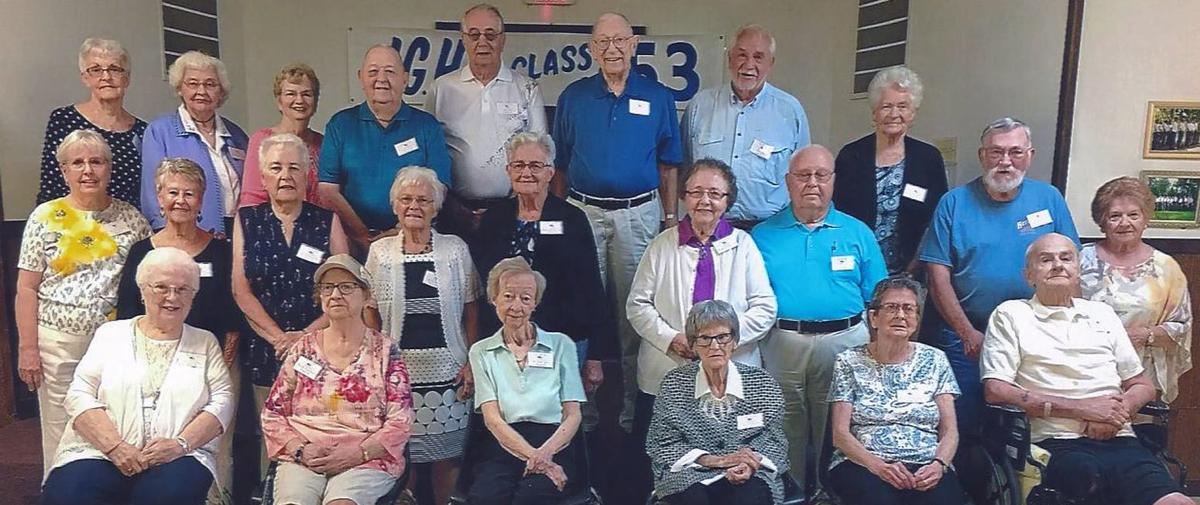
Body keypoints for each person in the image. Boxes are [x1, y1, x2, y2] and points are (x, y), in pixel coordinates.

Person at [981, 233, 1192, 505]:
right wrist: (1083, 409)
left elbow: (1143, 385)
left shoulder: (1101, 313)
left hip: (1119, 437)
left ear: (1078, 269)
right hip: (1055, 442)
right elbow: (996, 390)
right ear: (1028, 275)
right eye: (1046, 259)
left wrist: (1115, 414)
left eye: (1066, 258)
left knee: (1177, 501)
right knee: (1090, 485)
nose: (1058, 265)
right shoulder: (1011, 314)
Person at [553, 11, 683, 431]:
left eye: (620, 41)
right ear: (592, 49)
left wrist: (668, 217)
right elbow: (559, 166)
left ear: (634, 45)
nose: (612, 49)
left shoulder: (658, 97)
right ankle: (581, 413)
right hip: (583, 212)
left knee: (635, 311)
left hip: (639, 214)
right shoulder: (574, 97)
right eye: (602, 42)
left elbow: (669, 164)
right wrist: (559, 217)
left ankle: (631, 409)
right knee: (580, 310)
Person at [918, 117, 1079, 435]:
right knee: (961, 423)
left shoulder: (1049, 199)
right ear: (981, 156)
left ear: (1030, 155)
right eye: (996, 152)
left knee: (1024, 424)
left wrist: (1067, 331)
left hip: (1035, 333)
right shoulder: (953, 203)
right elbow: (937, 276)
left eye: (1015, 152)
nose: (1005, 162)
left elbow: (1072, 267)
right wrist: (967, 333)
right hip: (966, 334)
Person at [41, 247, 234, 505]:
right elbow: (79, 393)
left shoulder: (205, 341)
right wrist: (115, 447)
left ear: (193, 295)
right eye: (162, 287)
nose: (172, 297)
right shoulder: (111, 334)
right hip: (101, 451)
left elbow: (223, 400)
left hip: (177, 455)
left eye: (182, 289)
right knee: (70, 494)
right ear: (142, 290)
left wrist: (180, 444)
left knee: (167, 496)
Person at [750, 145, 887, 492]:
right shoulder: (762, 235)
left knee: (839, 427)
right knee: (784, 424)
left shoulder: (858, 233)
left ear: (833, 181)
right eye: (803, 175)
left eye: (821, 175)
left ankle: (832, 494)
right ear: (787, 182)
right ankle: (790, 492)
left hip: (845, 343)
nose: (813, 183)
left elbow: (879, 298)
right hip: (783, 342)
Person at [16, 129, 152, 475]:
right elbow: (27, 288)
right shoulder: (44, 217)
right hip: (57, 342)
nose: (87, 170)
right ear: (64, 171)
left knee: (114, 422)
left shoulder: (131, 218)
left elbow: (147, 282)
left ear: (109, 168)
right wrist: (28, 348)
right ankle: (60, 490)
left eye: (96, 161)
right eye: (77, 162)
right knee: (60, 424)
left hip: (116, 343)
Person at [628, 159, 776, 456]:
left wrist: (721, 343)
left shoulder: (743, 245)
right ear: (684, 197)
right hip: (669, 365)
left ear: (727, 200)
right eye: (696, 192)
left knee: (729, 453)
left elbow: (765, 308)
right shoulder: (662, 245)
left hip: (733, 370)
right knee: (666, 454)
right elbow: (638, 305)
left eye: (715, 193)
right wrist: (672, 338)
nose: (704, 200)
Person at [114, 157, 238, 504]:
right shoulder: (142, 251)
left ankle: (218, 499)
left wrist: (223, 364)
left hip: (217, 360)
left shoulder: (221, 251)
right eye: (172, 192)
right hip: (155, 363)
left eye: (189, 193)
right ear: (159, 196)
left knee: (215, 438)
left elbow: (233, 313)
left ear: (201, 201)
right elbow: (126, 314)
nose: (180, 200)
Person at [232, 132, 349, 479]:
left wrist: (305, 338)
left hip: (322, 350)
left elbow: (343, 288)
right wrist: (279, 339)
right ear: (263, 176)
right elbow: (241, 290)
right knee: (276, 442)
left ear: (307, 175)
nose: (285, 176)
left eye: (294, 168)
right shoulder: (247, 220)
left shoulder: (326, 221)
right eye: (276, 168)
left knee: (323, 436)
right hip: (268, 351)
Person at [362, 166, 479, 505]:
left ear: (436, 207)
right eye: (406, 199)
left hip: (449, 372)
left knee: (447, 458)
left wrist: (470, 360)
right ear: (395, 205)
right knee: (401, 454)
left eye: (423, 200)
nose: (414, 206)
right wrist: (375, 360)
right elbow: (369, 308)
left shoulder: (455, 249)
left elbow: (472, 307)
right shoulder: (380, 251)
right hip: (397, 373)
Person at [262, 254, 414, 505]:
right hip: (306, 456)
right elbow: (272, 414)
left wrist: (357, 453)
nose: (335, 295)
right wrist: (300, 449)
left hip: (365, 457)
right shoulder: (303, 348)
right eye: (327, 287)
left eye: (346, 287)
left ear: (366, 297)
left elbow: (401, 421)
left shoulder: (386, 350)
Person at [471, 132, 612, 392]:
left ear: (550, 172)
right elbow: (483, 286)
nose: (526, 173)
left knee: (557, 417)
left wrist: (595, 356)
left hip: (562, 339)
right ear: (508, 171)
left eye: (535, 166)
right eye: (519, 165)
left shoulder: (572, 219)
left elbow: (591, 288)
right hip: (504, 342)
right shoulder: (494, 219)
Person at [827, 276, 964, 504]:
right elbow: (840, 435)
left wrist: (939, 464)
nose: (901, 315)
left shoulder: (935, 360)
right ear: (874, 317)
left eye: (909, 309)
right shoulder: (848, 361)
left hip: (925, 462)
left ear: (917, 319)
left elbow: (950, 431)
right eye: (891, 307)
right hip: (865, 462)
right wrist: (879, 467)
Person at [466, 257, 587, 505]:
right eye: (508, 296)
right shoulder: (481, 351)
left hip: (555, 443)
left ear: (535, 304)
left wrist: (545, 454)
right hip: (504, 444)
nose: (516, 306)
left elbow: (573, 415)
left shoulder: (561, 344)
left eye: (526, 298)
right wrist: (535, 458)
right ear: (494, 299)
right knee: (485, 499)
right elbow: (492, 418)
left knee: (533, 498)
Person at [646, 300, 789, 505]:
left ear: (734, 341)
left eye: (722, 337)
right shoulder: (674, 384)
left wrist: (750, 465)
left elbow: (774, 441)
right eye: (705, 338)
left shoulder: (762, 383)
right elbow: (661, 444)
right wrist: (714, 461)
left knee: (748, 498)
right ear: (693, 345)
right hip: (690, 473)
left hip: (749, 472)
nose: (715, 346)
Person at [428, 3, 547, 239]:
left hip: (512, 208)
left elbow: (540, 153)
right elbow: (429, 150)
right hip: (454, 211)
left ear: (502, 40)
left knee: (506, 274)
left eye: (490, 34)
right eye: (474, 34)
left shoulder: (527, 88)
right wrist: (451, 204)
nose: (482, 41)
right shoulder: (441, 88)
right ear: (463, 39)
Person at [319, 44, 452, 253]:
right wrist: (362, 234)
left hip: (412, 239)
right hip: (351, 242)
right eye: (373, 72)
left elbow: (439, 186)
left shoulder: (427, 126)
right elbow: (327, 189)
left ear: (405, 79)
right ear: (361, 77)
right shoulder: (340, 125)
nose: (381, 79)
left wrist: (398, 231)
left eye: (390, 71)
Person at [680, 24, 809, 229]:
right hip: (710, 226)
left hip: (770, 229)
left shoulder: (790, 111)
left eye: (758, 57)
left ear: (771, 63)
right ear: (729, 59)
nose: (749, 65)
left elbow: (803, 174)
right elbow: (684, 167)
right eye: (741, 55)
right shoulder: (700, 106)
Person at [1081, 177, 1191, 405]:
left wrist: (1147, 335)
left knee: (1138, 437)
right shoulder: (1079, 259)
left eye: (1133, 215)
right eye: (1115, 216)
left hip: (1142, 374)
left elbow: (1182, 325)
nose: (1125, 223)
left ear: (1145, 219)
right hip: (1085, 368)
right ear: (1102, 222)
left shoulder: (1166, 267)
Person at [832, 66, 948, 274]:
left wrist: (914, 267)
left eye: (902, 106)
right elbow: (836, 215)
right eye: (886, 106)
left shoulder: (928, 158)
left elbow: (937, 219)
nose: (894, 114)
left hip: (912, 268)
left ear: (913, 113)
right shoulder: (851, 156)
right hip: (855, 265)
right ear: (874, 113)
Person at [141, 51, 248, 237]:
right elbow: (152, 195)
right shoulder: (160, 132)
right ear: (179, 89)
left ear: (221, 91)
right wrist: (167, 237)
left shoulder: (237, 135)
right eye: (192, 84)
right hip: (185, 234)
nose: (201, 91)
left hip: (238, 234)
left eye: (210, 84)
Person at [38, 38, 147, 207]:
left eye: (115, 69)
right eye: (96, 70)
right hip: (72, 223)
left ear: (126, 79)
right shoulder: (63, 120)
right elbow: (51, 184)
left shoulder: (144, 131)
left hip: (128, 225)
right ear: (85, 78)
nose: (106, 77)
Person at [240, 63, 325, 208]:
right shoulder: (262, 141)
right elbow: (251, 200)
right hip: (271, 227)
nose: (299, 100)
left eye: (307, 94)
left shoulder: (323, 143)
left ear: (315, 101)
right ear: (279, 101)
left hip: (319, 226)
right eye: (291, 94)